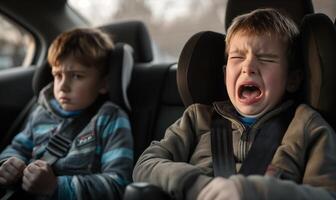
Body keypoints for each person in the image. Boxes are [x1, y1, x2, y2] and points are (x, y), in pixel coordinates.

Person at [132, 8, 336, 200]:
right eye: (237, 57)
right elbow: (146, 164)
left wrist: (251, 191)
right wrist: (194, 183)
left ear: (292, 78)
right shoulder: (197, 119)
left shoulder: (308, 126)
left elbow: (326, 195)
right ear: (225, 74)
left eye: (265, 58)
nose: (248, 67)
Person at [0, 28, 133, 199]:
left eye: (77, 76)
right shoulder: (41, 112)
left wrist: (55, 186)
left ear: (104, 84)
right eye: (57, 75)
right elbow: (17, 148)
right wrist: (9, 164)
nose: (63, 86)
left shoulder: (111, 119)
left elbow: (118, 184)